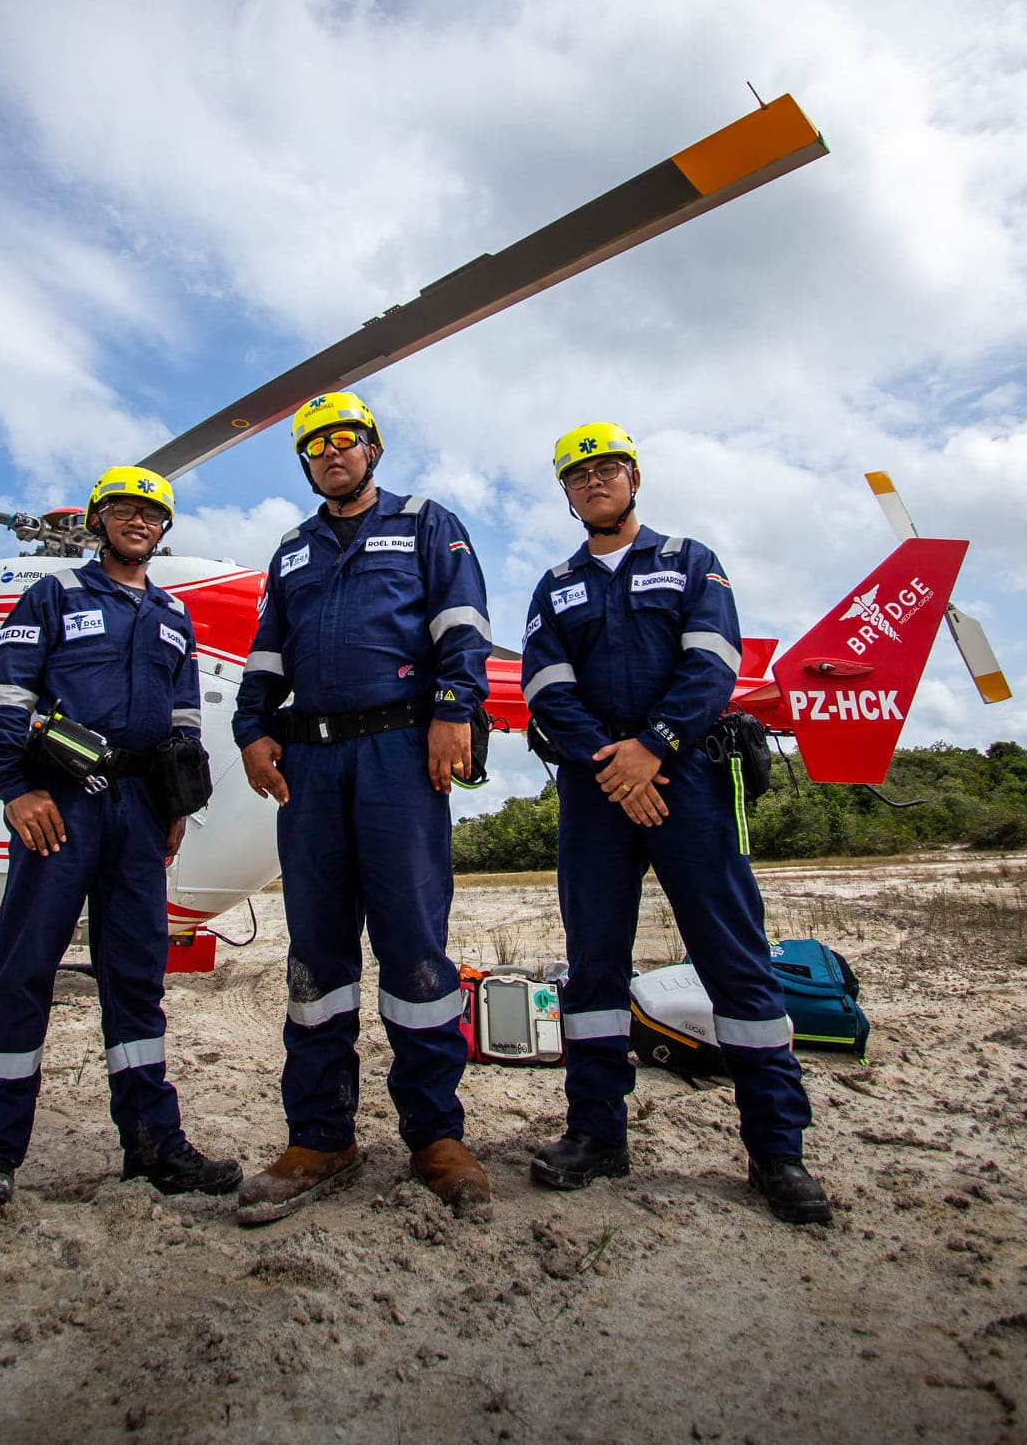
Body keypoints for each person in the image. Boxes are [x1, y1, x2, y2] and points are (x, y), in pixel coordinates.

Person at [520, 423, 832, 1224]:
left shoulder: (691, 560)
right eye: (579, 475)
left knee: (735, 960)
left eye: (609, 469)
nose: (595, 482)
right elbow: (547, 690)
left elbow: (714, 662)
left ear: (634, 478)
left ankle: (777, 1152)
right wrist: (610, 763)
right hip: (597, 790)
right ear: (565, 493)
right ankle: (596, 1134)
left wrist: (652, 747)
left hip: (687, 775)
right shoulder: (553, 586)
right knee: (593, 966)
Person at [233, 392, 493, 1223]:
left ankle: (435, 1136)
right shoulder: (294, 550)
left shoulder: (425, 522)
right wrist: (250, 727)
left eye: (345, 439)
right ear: (306, 465)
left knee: (415, 949)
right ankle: (320, 1136)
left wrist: (454, 708)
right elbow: (268, 650)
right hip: (310, 764)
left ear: (371, 450)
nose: (331, 453)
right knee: (315, 954)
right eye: (315, 447)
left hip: (398, 756)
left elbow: (462, 623)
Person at [0, 466, 241, 1214]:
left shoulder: (175, 616)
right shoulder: (53, 595)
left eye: (151, 512)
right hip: (63, 809)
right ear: (98, 520)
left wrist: (177, 807)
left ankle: (151, 1144)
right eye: (122, 509)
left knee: (138, 978)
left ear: (164, 527)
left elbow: (185, 721)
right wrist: (15, 788)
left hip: (142, 813)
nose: (137, 521)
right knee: (24, 972)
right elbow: (4, 695)